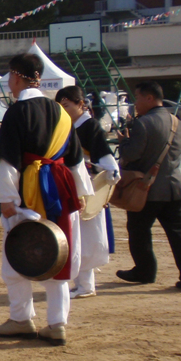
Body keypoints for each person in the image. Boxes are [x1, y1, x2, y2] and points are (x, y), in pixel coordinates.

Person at [0, 54, 91, 346]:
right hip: (60, 189)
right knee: (58, 252)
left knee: (17, 253)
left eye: (9, 77)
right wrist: (81, 193)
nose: (8, 83)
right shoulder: (60, 112)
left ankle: (21, 318)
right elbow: (75, 159)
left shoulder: (17, 112)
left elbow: (9, 160)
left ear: (17, 76)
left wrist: (7, 199)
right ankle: (57, 323)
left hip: (30, 190)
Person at [116, 81, 181, 291]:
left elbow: (131, 154)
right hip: (174, 186)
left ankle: (145, 271)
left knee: (139, 231)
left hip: (148, 189)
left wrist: (123, 142)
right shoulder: (176, 122)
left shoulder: (143, 123)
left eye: (137, 97)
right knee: (180, 234)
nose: (135, 103)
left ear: (149, 98)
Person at [56, 86, 118, 299]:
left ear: (81, 104)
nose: (64, 110)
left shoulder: (89, 126)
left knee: (87, 237)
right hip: (70, 186)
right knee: (77, 236)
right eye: (60, 107)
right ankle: (82, 283)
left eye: (67, 106)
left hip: (88, 188)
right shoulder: (65, 127)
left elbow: (104, 155)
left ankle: (85, 285)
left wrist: (109, 172)